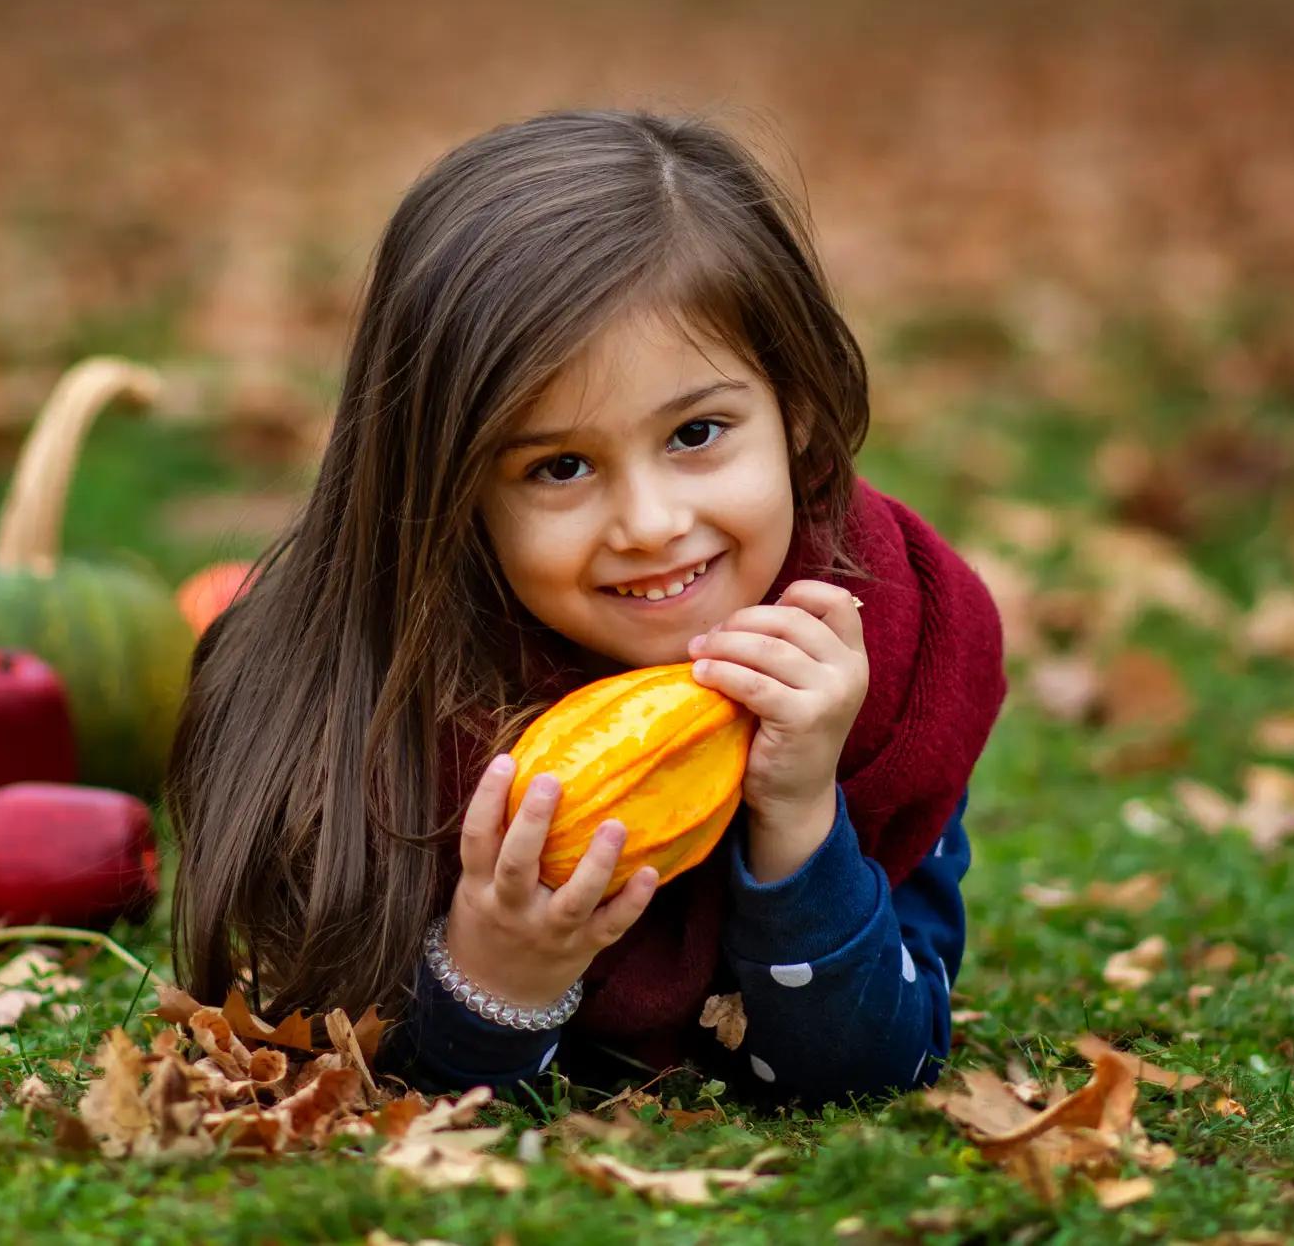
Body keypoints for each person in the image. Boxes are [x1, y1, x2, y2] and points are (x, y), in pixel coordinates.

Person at [166, 107, 1007, 1109]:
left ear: (794, 413)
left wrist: (800, 820)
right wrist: (494, 978)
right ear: (450, 492)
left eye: (696, 431)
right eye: (559, 466)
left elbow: (871, 1077)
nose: (649, 524)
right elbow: (384, 1081)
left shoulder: (889, 645)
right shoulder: (378, 709)